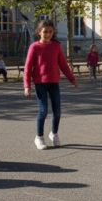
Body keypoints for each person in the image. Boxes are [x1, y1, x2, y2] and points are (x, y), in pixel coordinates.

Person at [23, 20, 77, 150]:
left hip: (54, 82)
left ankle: (54, 133)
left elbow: (63, 65)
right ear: (39, 32)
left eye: (50, 32)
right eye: (45, 32)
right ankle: (39, 137)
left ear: (53, 32)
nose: (48, 34)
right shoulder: (34, 47)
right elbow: (28, 67)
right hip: (40, 83)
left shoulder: (56, 46)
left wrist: (72, 79)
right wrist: (27, 86)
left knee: (57, 111)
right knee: (43, 111)